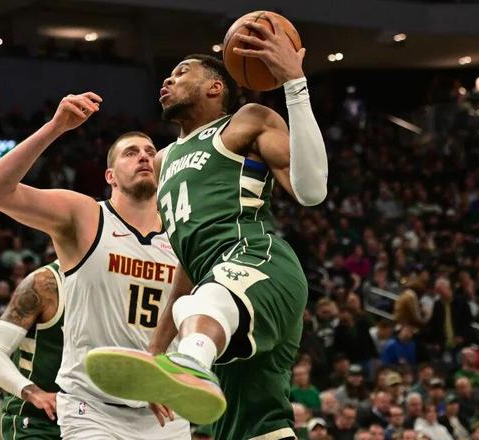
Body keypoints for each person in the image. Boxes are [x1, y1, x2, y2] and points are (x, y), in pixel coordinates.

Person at [87, 15, 328, 440]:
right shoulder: (162, 161)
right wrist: (156, 352)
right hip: (219, 303)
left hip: (260, 263)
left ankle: (191, 362)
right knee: (252, 428)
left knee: (200, 302)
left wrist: (295, 83)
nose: (168, 80)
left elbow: (311, 191)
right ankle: (189, 360)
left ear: (215, 87)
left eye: (181, 72)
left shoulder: (247, 120)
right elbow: (187, 263)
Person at [0, 93, 189, 439]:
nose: (144, 157)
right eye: (131, 153)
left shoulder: (182, 233)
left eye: (150, 152)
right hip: (92, 410)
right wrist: (55, 127)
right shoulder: (86, 216)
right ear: (110, 176)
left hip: (163, 407)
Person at [0, 262, 65, 439]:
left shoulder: (116, 286)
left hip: (89, 420)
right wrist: (33, 392)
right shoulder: (44, 283)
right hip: (35, 422)